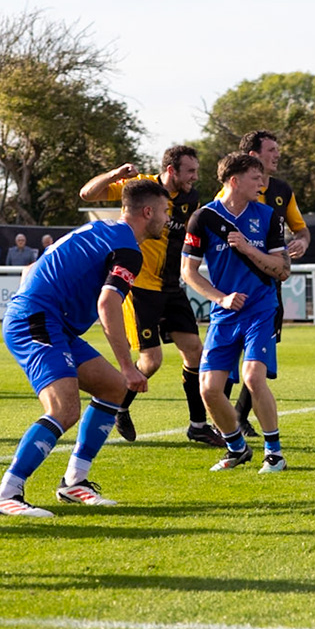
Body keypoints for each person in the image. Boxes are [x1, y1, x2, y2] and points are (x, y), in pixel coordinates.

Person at [0, 179, 165, 517]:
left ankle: (74, 483)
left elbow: (31, 269)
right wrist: (128, 366)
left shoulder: (100, 228)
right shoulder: (129, 249)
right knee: (64, 408)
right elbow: (108, 303)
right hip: (38, 319)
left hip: (51, 320)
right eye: (165, 212)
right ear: (148, 211)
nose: (167, 219)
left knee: (112, 388)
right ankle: (5, 494)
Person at [79, 146, 219, 446]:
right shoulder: (139, 187)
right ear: (171, 171)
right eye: (190, 171)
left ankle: (198, 425)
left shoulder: (191, 199)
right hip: (140, 285)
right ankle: (119, 402)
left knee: (195, 350)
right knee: (151, 360)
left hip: (171, 285)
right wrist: (115, 174)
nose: (195, 177)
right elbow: (87, 195)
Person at [183, 151, 292, 472]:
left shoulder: (269, 216)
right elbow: (188, 272)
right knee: (208, 389)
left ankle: (274, 453)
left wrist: (247, 247)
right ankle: (236, 448)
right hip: (224, 314)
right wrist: (221, 298)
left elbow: (282, 270)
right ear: (235, 180)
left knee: (253, 377)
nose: (262, 183)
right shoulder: (203, 219)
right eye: (256, 178)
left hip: (261, 309)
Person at [221, 130, 309, 440]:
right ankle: (224, 420)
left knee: (257, 358)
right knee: (229, 357)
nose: (278, 154)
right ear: (254, 156)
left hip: (270, 288)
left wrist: (300, 242)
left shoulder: (283, 190)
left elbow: (302, 230)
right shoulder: (228, 197)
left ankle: (240, 418)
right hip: (237, 289)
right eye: (272, 149)